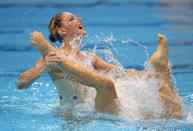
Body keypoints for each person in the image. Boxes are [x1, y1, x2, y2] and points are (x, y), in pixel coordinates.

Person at [16, 12, 183, 118]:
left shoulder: (91, 58)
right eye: (72, 19)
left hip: (96, 110)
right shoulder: (51, 56)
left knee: (168, 116)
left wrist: (151, 76)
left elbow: (121, 72)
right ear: (62, 30)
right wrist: (44, 65)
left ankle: (160, 69)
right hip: (76, 116)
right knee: (106, 85)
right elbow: (21, 83)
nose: (79, 19)